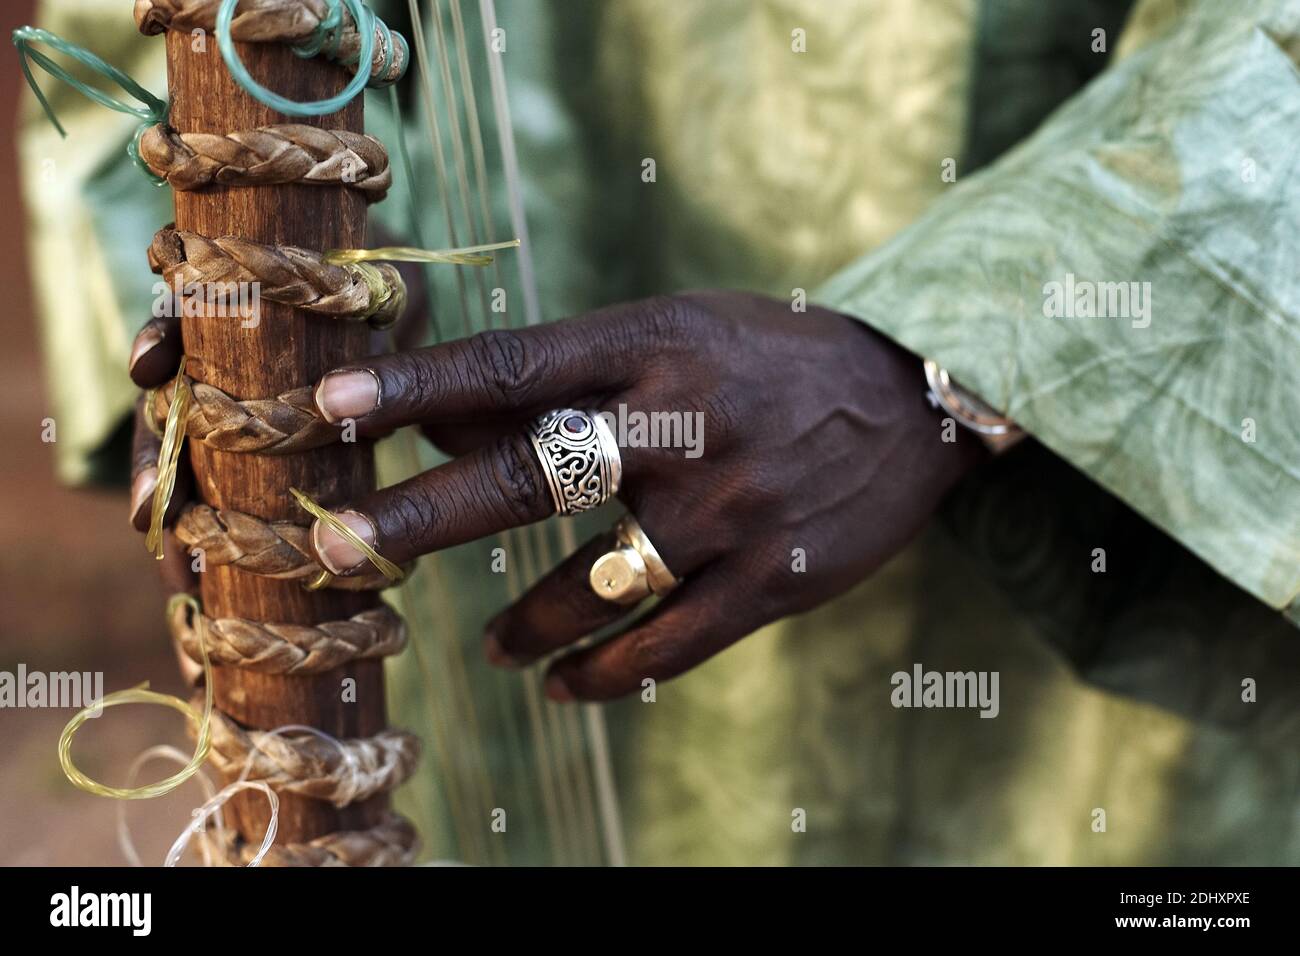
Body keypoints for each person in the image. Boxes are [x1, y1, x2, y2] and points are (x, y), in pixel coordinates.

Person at [24, 0, 1300, 864]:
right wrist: (279, 249)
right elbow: (152, 46)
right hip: (457, 471)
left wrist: (963, 359)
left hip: (1054, 527)